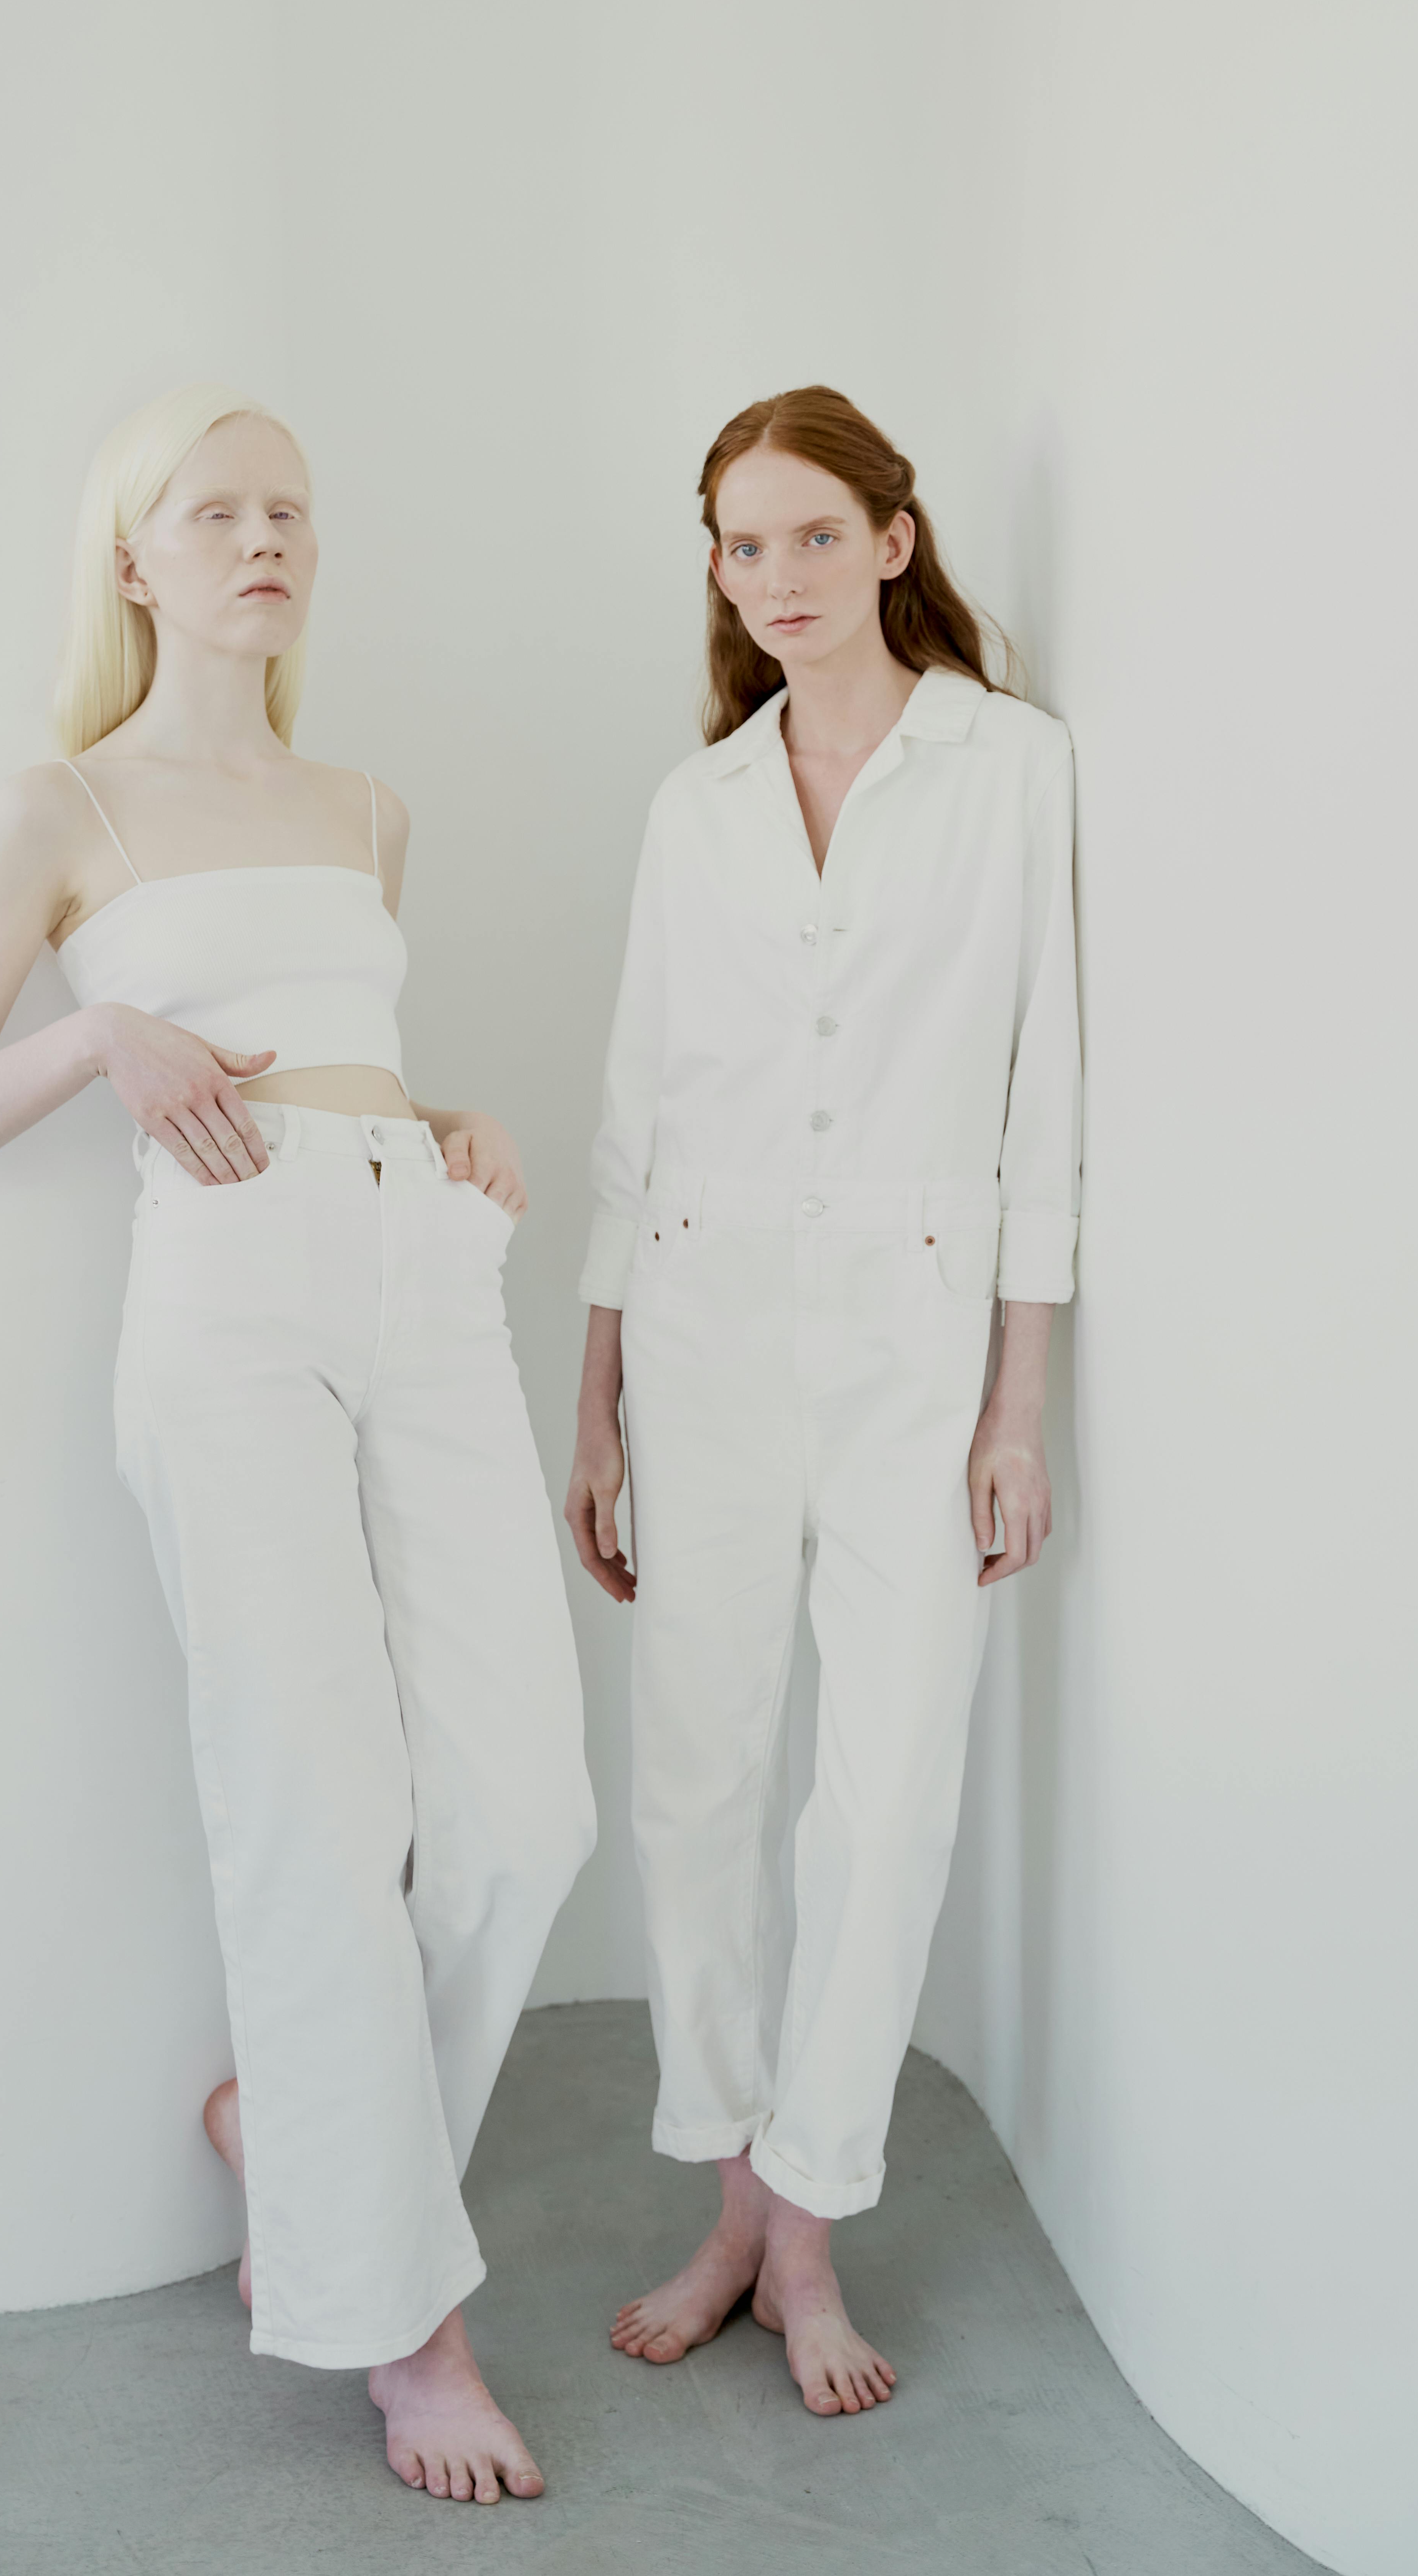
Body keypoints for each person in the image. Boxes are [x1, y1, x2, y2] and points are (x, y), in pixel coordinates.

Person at [0, 383, 594, 2506]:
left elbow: (343, 1042)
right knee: (322, 1808)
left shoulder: (367, 808)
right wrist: (95, 1034)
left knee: (523, 1816)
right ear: (137, 558)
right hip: (226, 1295)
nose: (265, 537)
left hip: (422, 1268)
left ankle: (294, 2139)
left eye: (290, 510)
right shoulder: (61, 809)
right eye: (218, 510)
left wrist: (446, 1116)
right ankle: (403, 2327)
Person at [566, 385, 1080, 2419]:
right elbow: (633, 1116)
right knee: (695, 1775)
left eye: (802, 535)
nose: (766, 577)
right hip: (695, 1324)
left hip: (912, 1330)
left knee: (887, 1785)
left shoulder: (1009, 772)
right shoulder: (695, 803)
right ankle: (731, 2204)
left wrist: (1013, 1405)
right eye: (731, 542)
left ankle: (810, 2215)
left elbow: (1044, 1101)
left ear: (889, 537)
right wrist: (591, 1407)